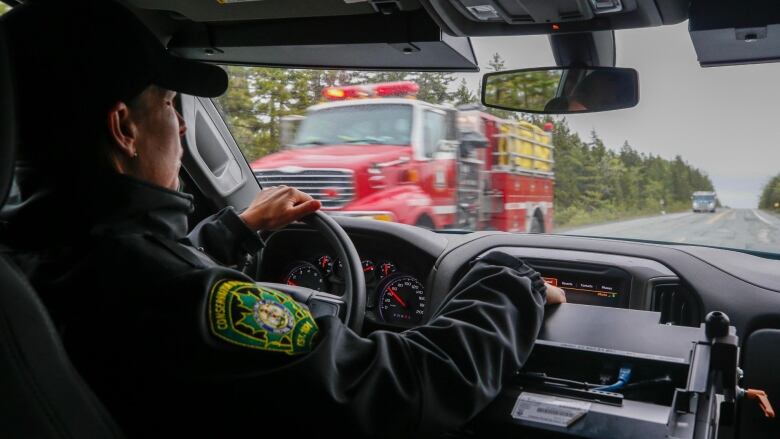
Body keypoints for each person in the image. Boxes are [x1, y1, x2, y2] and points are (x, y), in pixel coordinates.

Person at [0, 0, 565, 437]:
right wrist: (512, 284)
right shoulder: (173, 297)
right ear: (124, 129)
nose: (178, 127)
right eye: (170, 107)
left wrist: (234, 230)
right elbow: (407, 390)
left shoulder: (28, 257)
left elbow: (139, 274)